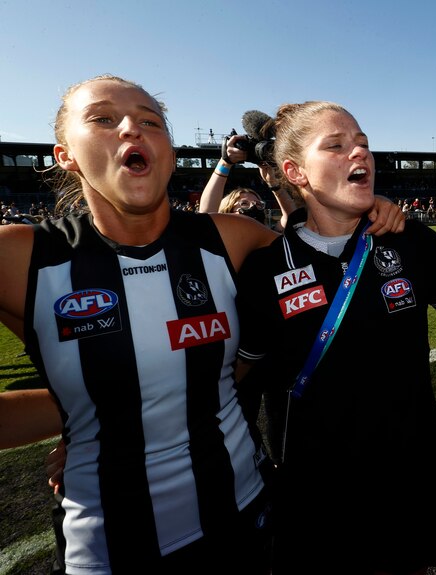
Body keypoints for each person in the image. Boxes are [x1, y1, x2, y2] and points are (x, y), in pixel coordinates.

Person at [0, 75, 405, 574]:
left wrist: (378, 210)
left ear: (168, 150)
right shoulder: (21, 257)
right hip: (108, 547)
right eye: (104, 118)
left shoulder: (234, 240)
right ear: (66, 155)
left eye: (151, 121)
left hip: (244, 516)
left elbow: (324, 238)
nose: (132, 128)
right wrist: (85, 417)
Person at [233, 100, 436, 574]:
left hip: (406, 482)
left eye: (363, 144)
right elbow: (237, 382)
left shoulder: (412, 243)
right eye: (335, 146)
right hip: (314, 498)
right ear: (295, 172)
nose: (359, 154)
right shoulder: (265, 269)